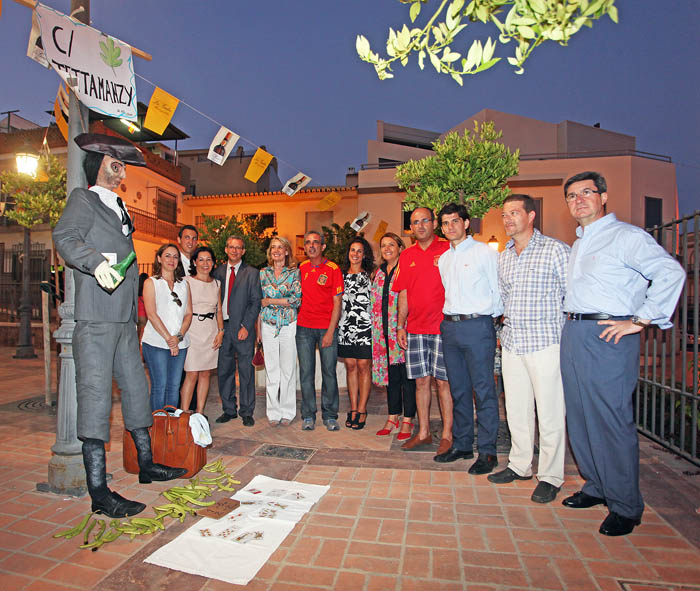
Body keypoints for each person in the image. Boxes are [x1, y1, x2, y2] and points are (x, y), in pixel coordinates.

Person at [53, 133, 186, 519]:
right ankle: (98, 492)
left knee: (136, 390)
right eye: (114, 161)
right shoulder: (84, 199)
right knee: (95, 398)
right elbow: (65, 236)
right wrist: (95, 263)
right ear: (97, 166)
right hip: (96, 320)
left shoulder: (120, 206)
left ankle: (146, 465)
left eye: (121, 162)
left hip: (125, 321)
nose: (120, 166)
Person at [560, 171, 685, 536]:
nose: (578, 199)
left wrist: (641, 320)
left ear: (603, 196)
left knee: (611, 419)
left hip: (609, 334)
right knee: (581, 416)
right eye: (571, 195)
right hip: (576, 332)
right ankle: (597, 486)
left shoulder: (626, 236)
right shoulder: (580, 242)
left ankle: (626, 505)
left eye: (586, 192)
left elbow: (669, 272)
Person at [488, 195, 569, 502]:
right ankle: (520, 465)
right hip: (512, 343)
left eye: (514, 213)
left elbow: (571, 296)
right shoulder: (504, 256)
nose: (508, 219)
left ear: (531, 215)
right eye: (505, 214)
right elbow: (504, 300)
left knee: (549, 412)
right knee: (516, 409)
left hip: (546, 342)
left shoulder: (556, 251)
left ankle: (550, 475)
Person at [435, 203, 503, 474]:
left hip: (477, 326)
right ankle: (462, 444)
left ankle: (487, 451)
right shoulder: (445, 258)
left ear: (466, 223)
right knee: (458, 389)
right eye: (445, 222)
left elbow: (498, 291)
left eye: (455, 221)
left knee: (484, 390)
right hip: (450, 327)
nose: (450, 226)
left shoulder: (484, 253)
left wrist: (492, 322)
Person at [392, 207, 452, 454]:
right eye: (415, 222)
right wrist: (400, 325)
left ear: (434, 223)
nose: (420, 225)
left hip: (442, 328)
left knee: (444, 383)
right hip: (415, 329)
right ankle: (424, 432)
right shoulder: (407, 256)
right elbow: (403, 292)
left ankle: (448, 435)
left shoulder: (449, 249)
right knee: (420, 383)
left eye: (424, 220)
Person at [296, 230, 344, 431]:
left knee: (329, 373)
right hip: (304, 328)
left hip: (326, 328)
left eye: (316, 242)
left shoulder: (333, 269)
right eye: (308, 243)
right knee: (306, 373)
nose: (311, 246)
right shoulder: (301, 267)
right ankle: (308, 415)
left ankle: (330, 415)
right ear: (305, 247)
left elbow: (337, 303)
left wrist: (330, 332)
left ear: (323, 246)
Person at [371, 232, 416, 440]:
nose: (387, 248)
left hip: (402, 330)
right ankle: (392, 416)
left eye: (391, 244)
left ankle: (408, 419)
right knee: (391, 378)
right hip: (382, 335)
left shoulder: (405, 270)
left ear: (400, 247)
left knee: (407, 377)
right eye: (383, 245)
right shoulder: (379, 273)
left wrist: (402, 326)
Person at [214, 236, 262, 426]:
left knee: (246, 371)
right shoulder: (217, 272)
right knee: (224, 371)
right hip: (222, 328)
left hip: (242, 329)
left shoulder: (252, 273)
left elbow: (255, 302)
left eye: (238, 248)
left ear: (243, 251)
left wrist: (246, 326)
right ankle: (228, 409)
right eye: (231, 247)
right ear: (226, 249)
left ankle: (247, 411)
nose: (234, 250)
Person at [141, 244, 192, 411]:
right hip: (156, 343)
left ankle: (170, 426)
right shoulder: (151, 283)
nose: (172, 260)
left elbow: (188, 314)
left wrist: (178, 337)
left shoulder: (183, 285)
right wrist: (169, 339)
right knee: (159, 385)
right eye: (168, 256)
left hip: (180, 343)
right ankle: (157, 426)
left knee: (174, 386)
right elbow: (152, 314)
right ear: (159, 259)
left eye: (175, 256)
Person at [258, 236, 301, 426]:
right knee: (272, 370)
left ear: (286, 251)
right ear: (270, 252)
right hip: (267, 324)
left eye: (280, 247)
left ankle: (288, 411)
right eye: (273, 247)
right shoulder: (262, 273)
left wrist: (271, 301)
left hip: (288, 324)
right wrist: (258, 328)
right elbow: (259, 302)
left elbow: (296, 300)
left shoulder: (294, 273)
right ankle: (273, 412)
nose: (276, 250)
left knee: (288, 369)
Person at [180, 245, 224, 415]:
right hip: (192, 331)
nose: (205, 263)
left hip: (211, 331)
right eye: (201, 259)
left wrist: (221, 331)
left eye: (209, 260)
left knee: (205, 373)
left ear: (213, 263)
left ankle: (199, 412)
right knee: (191, 373)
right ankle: (184, 415)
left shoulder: (217, 283)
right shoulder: (186, 281)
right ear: (194, 262)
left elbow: (219, 310)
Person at [338, 236, 375, 430]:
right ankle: (352, 408)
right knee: (351, 366)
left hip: (366, 327)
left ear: (364, 254)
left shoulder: (371, 275)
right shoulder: (340, 275)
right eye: (352, 250)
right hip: (345, 327)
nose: (355, 254)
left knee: (363, 366)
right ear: (348, 253)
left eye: (359, 251)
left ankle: (362, 409)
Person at [137, 272, 148, 343]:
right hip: (144, 315)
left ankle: (136, 348)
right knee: (143, 335)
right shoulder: (146, 290)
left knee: (137, 334)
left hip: (137, 315)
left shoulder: (137, 290)